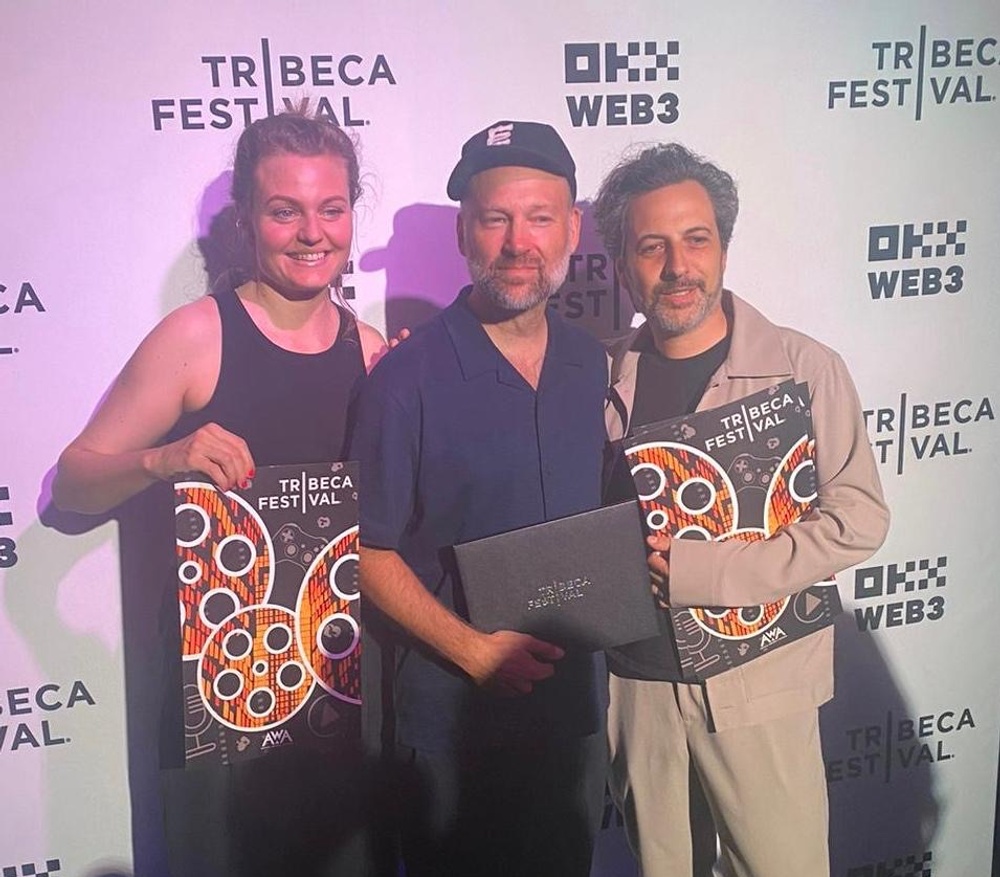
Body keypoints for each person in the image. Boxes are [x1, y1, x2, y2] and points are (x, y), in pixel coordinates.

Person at [53, 110, 389, 877]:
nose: (312, 232)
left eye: (331, 209)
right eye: (285, 210)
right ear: (246, 220)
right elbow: (73, 483)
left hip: (339, 699)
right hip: (223, 708)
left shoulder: (371, 353)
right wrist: (163, 455)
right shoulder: (197, 336)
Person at [592, 143, 890, 877]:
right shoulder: (595, 376)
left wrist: (711, 570)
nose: (677, 266)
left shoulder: (802, 367)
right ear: (622, 263)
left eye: (697, 239)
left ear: (724, 246)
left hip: (762, 682)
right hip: (638, 688)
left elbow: (859, 516)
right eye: (651, 245)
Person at [349, 120, 608, 877]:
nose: (518, 242)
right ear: (466, 231)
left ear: (572, 228)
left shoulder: (589, 363)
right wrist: (473, 650)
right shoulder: (406, 380)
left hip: (572, 730)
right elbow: (366, 549)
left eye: (539, 217)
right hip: (452, 734)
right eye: (496, 218)